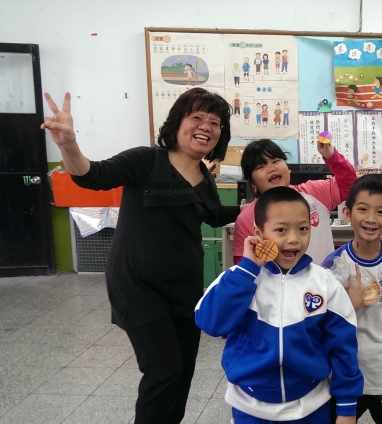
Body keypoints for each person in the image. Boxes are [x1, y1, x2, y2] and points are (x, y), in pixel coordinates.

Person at [41, 88, 241, 423]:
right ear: (177, 122)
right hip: (137, 287)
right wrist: (69, 145)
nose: (206, 126)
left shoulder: (205, 178)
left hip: (185, 291)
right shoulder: (146, 161)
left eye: (215, 122)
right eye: (196, 117)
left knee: (183, 372)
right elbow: (93, 175)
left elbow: (215, 214)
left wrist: (258, 208)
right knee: (164, 370)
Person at [195, 187, 363, 424]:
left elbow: (344, 347)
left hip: (310, 405)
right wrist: (247, 269)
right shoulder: (238, 278)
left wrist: (346, 407)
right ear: (258, 233)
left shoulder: (324, 283)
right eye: (281, 230)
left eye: (303, 229)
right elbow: (211, 323)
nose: (294, 238)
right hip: (249, 406)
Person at [323, 175, 382, 424]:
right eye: (363, 209)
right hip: (343, 375)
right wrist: (349, 303)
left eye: (381, 212)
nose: (371, 219)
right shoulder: (333, 264)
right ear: (347, 212)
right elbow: (322, 323)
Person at [232, 138, 356, 265]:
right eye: (261, 166)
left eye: (275, 161)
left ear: (288, 168)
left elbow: (350, 186)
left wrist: (332, 156)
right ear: (252, 182)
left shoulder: (315, 193)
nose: (271, 168)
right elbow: (244, 266)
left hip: (325, 277)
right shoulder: (246, 218)